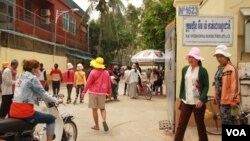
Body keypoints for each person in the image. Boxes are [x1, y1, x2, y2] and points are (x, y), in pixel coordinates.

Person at [9, 59, 62, 141]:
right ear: (33, 69)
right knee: (51, 119)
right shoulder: (32, 78)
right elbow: (44, 94)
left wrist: (38, 97)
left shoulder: (21, 76)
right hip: (25, 112)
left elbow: (25, 92)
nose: (39, 71)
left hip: (13, 110)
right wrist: (56, 100)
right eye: (38, 69)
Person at [174, 47, 209, 141]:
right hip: (186, 102)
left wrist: (202, 99)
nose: (190, 59)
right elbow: (183, 84)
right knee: (181, 124)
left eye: (193, 57)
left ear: (198, 59)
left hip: (198, 103)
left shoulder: (202, 71)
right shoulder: (185, 69)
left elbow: (206, 86)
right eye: (189, 57)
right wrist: (181, 97)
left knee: (200, 125)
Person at [81, 57, 111, 132]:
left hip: (93, 93)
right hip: (102, 93)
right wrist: (109, 92)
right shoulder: (106, 73)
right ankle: (103, 120)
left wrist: (84, 92)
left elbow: (88, 83)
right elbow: (109, 83)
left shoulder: (93, 72)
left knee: (94, 110)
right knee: (102, 108)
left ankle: (97, 126)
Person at [213, 45, 240, 125]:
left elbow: (235, 85)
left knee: (230, 123)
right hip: (221, 102)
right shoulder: (219, 69)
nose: (219, 59)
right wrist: (215, 96)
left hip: (229, 102)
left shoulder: (232, 68)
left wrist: (234, 100)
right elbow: (217, 84)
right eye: (217, 56)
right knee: (224, 123)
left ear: (226, 56)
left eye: (221, 56)